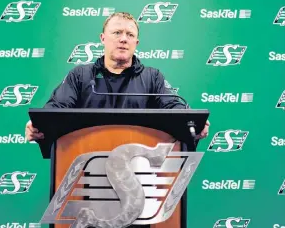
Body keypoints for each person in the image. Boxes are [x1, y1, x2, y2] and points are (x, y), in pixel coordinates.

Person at [25, 12, 210, 142]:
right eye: (117, 33)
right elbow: (56, 109)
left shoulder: (152, 77)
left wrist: (193, 125)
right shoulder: (80, 75)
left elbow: (173, 107)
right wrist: (37, 126)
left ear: (136, 43)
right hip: (84, 166)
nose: (123, 39)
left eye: (130, 35)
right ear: (103, 38)